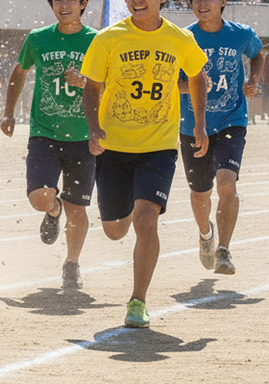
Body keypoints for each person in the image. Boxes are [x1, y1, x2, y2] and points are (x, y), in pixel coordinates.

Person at [80, 0, 208, 328]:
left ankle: (138, 301)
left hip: (159, 146)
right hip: (114, 146)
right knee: (115, 229)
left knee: (146, 219)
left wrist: (199, 124)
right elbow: (92, 87)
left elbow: (197, 77)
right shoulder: (107, 39)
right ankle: (117, 219)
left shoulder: (179, 39)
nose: (138, 1)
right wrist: (94, 128)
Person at [0, 0, 96, 289]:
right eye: (58, 1)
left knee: (77, 208)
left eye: (71, 0)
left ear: (83, 4)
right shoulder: (38, 38)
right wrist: (8, 112)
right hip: (45, 134)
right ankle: (53, 211)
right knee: (40, 197)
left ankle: (72, 263)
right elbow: (19, 71)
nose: (64, 5)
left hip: (84, 137)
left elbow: (111, 82)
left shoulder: (97, 40)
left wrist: (86, 82)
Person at [179, 0, 265, 275]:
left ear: (223, 2)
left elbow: (257, 54)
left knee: (226, 182)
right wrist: (191, 85)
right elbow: (170, 79)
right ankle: (206, 235)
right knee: (200, 191)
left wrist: (254, 81)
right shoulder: (184, 37)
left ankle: (224, 249)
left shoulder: (241, 33)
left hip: (232, 120)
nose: (202, 4)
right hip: (192, 124)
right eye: (196, 0)